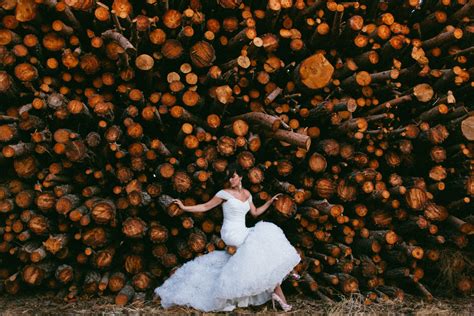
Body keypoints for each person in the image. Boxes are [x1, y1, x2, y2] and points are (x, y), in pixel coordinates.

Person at [154, 163, 301, 312]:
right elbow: (205, 206)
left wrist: (269, 202)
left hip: (243, 230)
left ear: (241, 177)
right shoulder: (223, 193)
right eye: (229, 178)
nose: (231, 180)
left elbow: (255, 212)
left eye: (233, 177)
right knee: (259, 243)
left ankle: (280, 294)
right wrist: (185, 207)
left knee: (267, 232)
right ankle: (287, 272)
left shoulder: (247, 194)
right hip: (231, 233)